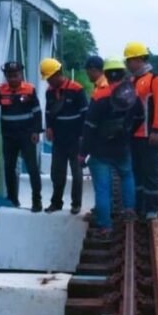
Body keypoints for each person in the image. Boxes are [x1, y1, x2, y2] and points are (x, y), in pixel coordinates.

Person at [79, 57, 143, 238]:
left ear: (106, 74)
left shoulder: (99, 96)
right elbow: (140, 117)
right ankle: (129, 210)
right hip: (122, 147)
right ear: (123, 74)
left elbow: (89, 127)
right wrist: (129, 133)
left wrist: (83, 153)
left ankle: (105, 226)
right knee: (127, 175)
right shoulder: (133, 95)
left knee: (103, 188)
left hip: (100, 150)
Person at [0, 61, 43, 211]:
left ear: (21, 74)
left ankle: (36, 200)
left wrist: (37, 131)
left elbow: (37, 112)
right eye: (9, 76)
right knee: (9, 168)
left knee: (32, 168)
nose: (12, 79)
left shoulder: (29, 90)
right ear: (5, 76)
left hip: (26, 136)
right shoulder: (0, 90)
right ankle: (12, 198)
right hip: (8, 136)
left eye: (15, 75)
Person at [124, 41, 158, 220]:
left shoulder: (155, 80)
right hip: (134, 135)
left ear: (140, 59)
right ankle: (139, 205)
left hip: (149, 135)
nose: (127, 64)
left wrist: (157, 129)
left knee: (150, 173)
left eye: (130, 60)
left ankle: (151, 209)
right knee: (136, 172)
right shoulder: (132, 81)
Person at [43, 58, 88, 214]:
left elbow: (85, 114)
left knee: (76, 172)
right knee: (57, 172)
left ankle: (76, 204)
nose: (48, 81)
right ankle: (56, 202)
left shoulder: (77, 89)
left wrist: (83, 137)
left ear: (58, 73)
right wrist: (49, 127)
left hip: (75, 138)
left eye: (49, 77)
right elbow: (48, 112)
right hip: (59, 140)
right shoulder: (49, 92)